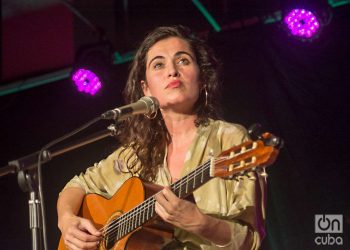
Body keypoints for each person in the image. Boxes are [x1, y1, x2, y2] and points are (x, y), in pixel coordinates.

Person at [57, 25, 266, 250]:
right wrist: (67, 221)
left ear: (202, 78)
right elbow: (77, 185)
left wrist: (201, 223)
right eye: (158, 64)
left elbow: (250, 240)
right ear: (146, 89)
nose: (172, 71)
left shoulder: (229, 138)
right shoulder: (134, 154)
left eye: (183, 61)